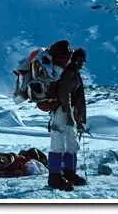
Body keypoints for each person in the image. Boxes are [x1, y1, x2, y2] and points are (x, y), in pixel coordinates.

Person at [47, 47, 88, 191]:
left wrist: (78, 118)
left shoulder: (73, 73)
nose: (82, 63)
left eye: (83, 60)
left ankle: (68, 173)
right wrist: (71, 115)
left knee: (71, 143)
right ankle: (54, 177)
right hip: (62, 111)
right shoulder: (69, 73)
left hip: (68, 112)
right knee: (58, 142)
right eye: (80, 60)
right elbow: (65, 94)